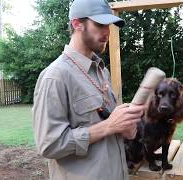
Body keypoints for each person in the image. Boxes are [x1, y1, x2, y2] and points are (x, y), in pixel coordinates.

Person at [32, 0, 145, 179]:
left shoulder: (102, 71)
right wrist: (108, 126)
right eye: (100, 24)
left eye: (108, 25)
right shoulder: (55, 76)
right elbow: (49, 144)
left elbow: (107, 123)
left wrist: (126, 127)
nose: (107, 32)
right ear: (77, 24)